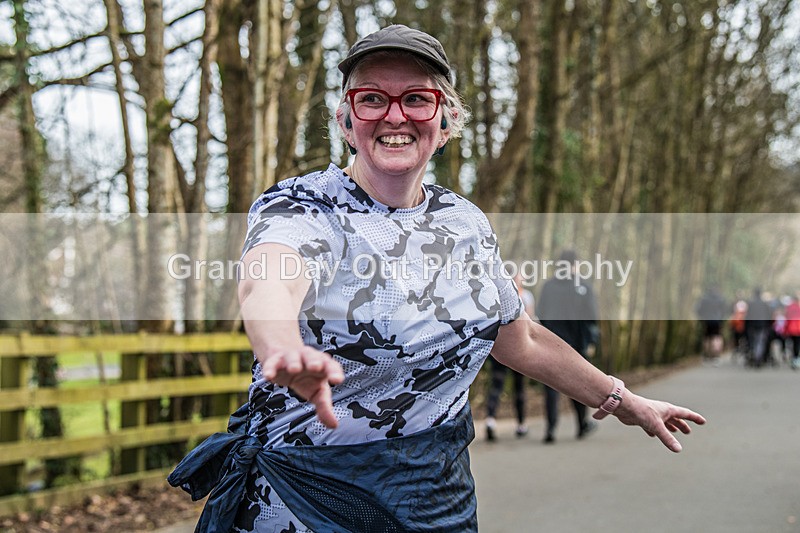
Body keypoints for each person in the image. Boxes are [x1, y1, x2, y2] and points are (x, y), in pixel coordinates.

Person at [168, 25, 705, 532]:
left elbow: (521, 339)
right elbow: (270, 276)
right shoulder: (305, 205)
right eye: (372, 98)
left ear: (445, 122)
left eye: (417, 99)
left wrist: (624, 400)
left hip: (435, 499)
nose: (394, 115)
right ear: (345, 120)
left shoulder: (465, 223)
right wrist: (282, 346)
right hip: (309, 502)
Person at [537, 249, 600, 444]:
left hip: (551, 344)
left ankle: (550, 429)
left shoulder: (548, 287)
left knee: (550, 387)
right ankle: (582, 424)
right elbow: (592, 317)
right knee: (579, 384)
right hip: (577, 345)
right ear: (574, 265)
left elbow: (540, 312)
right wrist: (591, 342)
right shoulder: (583, 287)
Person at [484, 274, 535, 441]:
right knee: (509, 385)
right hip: (514, 347)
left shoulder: (497, 293)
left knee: (503, 385)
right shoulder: (522, 296)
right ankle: (497, 421)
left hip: (500, 345)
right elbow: (530, 321)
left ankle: (512, 423)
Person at [695, 285, 727, 362]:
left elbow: (698, 310)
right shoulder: (720, 299)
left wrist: (702, 318)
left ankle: (706, 355)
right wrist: (722, 319)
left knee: (707, 337)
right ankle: (716, 356)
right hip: (717, 321)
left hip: (706, 321)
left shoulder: (704, 299)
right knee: (717, 337)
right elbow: (724, 311)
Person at [745, 288, 773, 367]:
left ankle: (755, 355)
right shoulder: (764, 304)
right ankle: (758, 356)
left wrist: (746, 326)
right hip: (762, 325)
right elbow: (769, 316)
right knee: (760, 341)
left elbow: (747, 316)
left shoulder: (751, 303)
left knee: (754, 341)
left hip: (752, 325)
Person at [784, 294, 800, 370]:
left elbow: (787, 319)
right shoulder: (798, 307)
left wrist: (785, 329)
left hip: (791, 329)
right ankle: (796, 359)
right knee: (797, 345)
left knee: (791, 344)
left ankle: (793, 358)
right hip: (798, 329)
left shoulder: (789, 308)